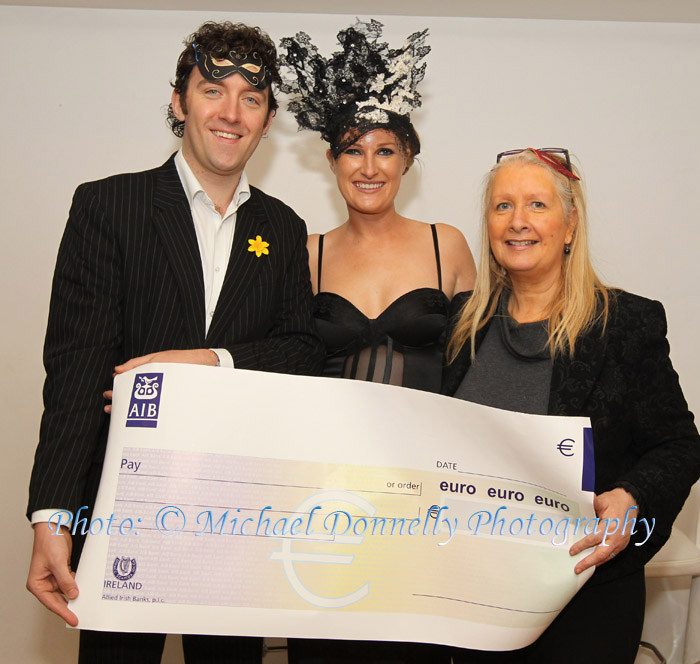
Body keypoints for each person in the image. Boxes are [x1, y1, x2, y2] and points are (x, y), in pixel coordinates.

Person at [26, 21, 324, 663]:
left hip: (240, 519)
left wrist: (209, 362)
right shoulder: (108, 207)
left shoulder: (283, 226)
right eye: (213, 89)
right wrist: (50, 514)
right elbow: (75, 370)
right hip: (119, 510)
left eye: (252, 97)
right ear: (179, 100)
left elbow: (303, 350)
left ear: (269, 119)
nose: (231, 112)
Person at [443, 147, 700, 663]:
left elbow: (679, 445)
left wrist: (632, 495)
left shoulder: (624, 324)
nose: (518, 222)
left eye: (537, 205)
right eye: (502, 207)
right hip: (476, 600)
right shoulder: (461, 324)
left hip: (586, 603)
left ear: (570, 224)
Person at [279, 20, 475, 664]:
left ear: (408, 160)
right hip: (327, 499)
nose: (368, 167)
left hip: (423, 499)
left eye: (385, 150)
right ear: (331, 161)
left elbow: (480, 376)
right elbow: (276, 371)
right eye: (352, 151)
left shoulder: (447, 245)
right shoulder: (306, 254)